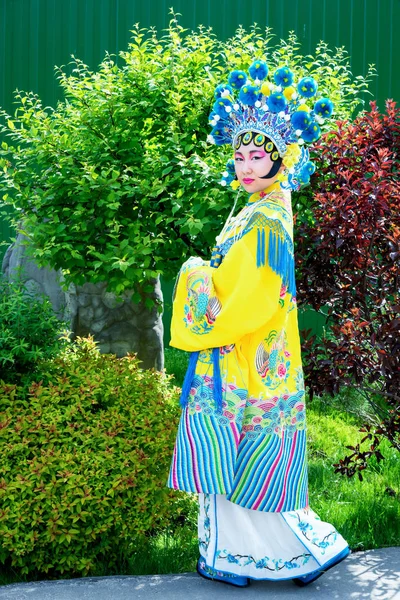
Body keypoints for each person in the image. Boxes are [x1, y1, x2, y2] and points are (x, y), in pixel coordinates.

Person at [167, 60, 350, 587]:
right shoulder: (258, 208)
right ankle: (280, 554)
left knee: (244, 458)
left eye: (257, 157)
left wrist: (198, 274)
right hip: (261, 356)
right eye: (239, 155)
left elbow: (253, 295)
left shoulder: (267, 217)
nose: (246, 166)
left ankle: (256, 558)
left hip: (246, 354)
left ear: (281, 159)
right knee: (252, 460)